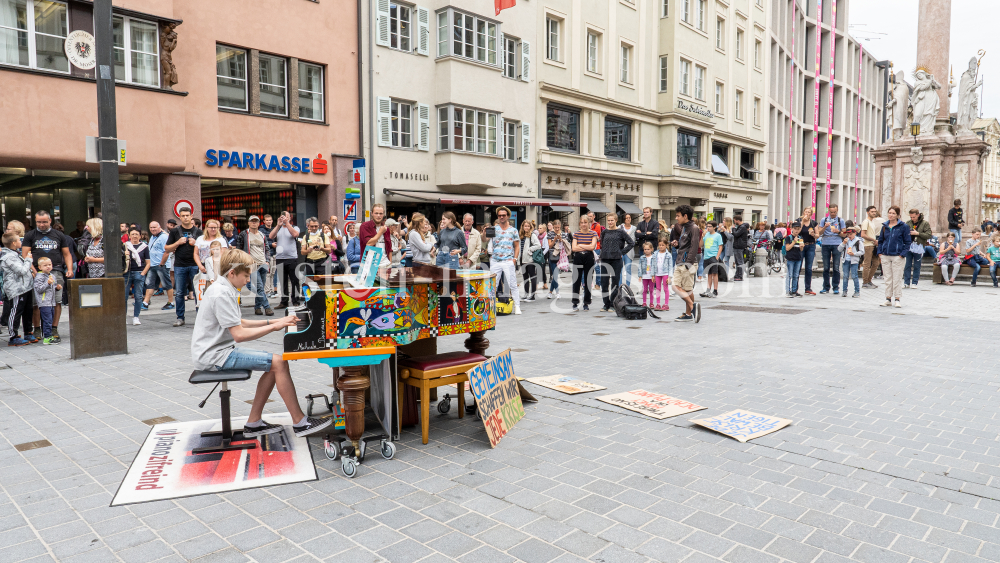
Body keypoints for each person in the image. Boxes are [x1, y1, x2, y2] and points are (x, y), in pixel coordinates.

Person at [192, 248, 331, 438]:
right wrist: (275, 327)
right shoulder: (222, 293)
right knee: (279, 362)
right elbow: (239, 334)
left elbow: (240, 322)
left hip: (216, 351)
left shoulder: (224, 287)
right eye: (246, 276)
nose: (248, 280)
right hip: (214, 356)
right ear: (232, 273)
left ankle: (255, 423)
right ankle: (299, 422)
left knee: (274, 363)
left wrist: (275, 321)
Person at [22, 210, 73, 343]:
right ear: (35, 221)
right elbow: (25, 255)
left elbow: (67, 254)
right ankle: (37, 328)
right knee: (36, 302)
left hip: (56, 270)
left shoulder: (58, 235)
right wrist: (33, 271)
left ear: (50, 221)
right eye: (39, 222)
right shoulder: (30, 235)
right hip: (36, 271)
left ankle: (53, 328)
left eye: (44, 222)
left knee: (56, 301)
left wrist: (70, 269)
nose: (42, 224)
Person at [165, 209, 203, 327]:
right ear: (179, 217)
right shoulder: (175, 231)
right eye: (183, 216)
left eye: (187, 215)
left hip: (195, 265)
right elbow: (167, 248)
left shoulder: (199, 232)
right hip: (180, 265)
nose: (185, 218)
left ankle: (201, 318)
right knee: (180, 293)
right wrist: (177, 243)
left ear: (192, 216)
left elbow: (204, 249)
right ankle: (180, 317)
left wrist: (195, 243)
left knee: (198, 293)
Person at [234, 215, 273, 316]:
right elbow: (239, 250)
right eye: (252, 221)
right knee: (259, 287)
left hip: (263, 263)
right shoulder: (244, 234)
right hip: (251, 264)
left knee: (261, 288)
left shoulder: (262, 234)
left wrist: (267, 261)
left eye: (256, 221)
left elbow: (267, 249)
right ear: (248, 223)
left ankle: (257, 307)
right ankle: (267, 307)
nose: (254, 223)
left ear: (259, 223)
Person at [2, 232, 35, 346]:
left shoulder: (16, 254)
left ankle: (28, 332)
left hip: (26, 287)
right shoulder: (8, 257)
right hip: (16, 289)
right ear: (13, 243)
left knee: (28, 310)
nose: (21, 241)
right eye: (19, 240)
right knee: (16, 311)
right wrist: (28, 260)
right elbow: (21, 271)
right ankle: (13, 336)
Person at [876, 206, 911, 307]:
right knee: (887, 278)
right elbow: (881, 240)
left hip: (897, 256)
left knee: (897, 278)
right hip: (885, 255)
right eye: (889, 213)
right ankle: (888, 298)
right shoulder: (885, 226)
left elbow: (908, 242)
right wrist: (880, 252)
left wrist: (902, 254)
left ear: (897, 215)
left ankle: (897, 299)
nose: (891, 215)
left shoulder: (903, 226)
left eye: (893, 213)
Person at [488, 207, 521, 314]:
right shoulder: (493, 229)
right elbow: (485, 241)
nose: (501, 217)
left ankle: (517, 306)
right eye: (499, 215)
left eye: (503, 215)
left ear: (508, 216)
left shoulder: (513, 230)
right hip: (495, 260)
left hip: (508, 260)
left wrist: (515, 259)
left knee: (512, 284)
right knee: (492, 285)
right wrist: (484, 233)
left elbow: (517, 246)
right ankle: (490, 307)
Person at [597, 214, 633, 312]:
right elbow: (602, 244)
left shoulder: (621, 231)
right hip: (605, 259)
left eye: (612, 220)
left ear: (616, 220)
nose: (610, 222)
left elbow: (631, 243)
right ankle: (606, 303)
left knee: (615, 283)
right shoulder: (604, 232)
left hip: (616, 260)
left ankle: (613, 303)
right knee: (604, 282)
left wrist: (621, 252)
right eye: (608, 220)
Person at [672, 205, 701, 322]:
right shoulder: (683, 227)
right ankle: (691, 309)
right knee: (677, 287)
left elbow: (694, 247)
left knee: (686, 289)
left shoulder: (694, 228)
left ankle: (690, 310)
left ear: (685, 216)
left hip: (687, 263)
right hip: (680, 261)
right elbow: (685, 244)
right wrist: (677, 244)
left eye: (678, 215)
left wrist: (688, 264)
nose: (676, 218)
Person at [269, 211, 300, 308]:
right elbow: (271, 236)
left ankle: (295, 301)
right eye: (282, 217)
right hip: (280, 258)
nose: (284, 219)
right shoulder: (278, 228)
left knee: (294, 280)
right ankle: (284, 301)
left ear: (289, 218)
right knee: (283, 281)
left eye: (286, 217)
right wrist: (278, 225)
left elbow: (295, 234)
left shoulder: (294, 227)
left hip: (292, 257)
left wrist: (287, 223)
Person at [123, 228, 150, 325]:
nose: (134, 236)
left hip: (139, 272)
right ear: (129, 236)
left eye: (136, 234)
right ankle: (124, 317)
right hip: (127, 273)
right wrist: (124, 254)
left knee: (138, 296)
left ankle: (136, 317)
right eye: (132, 234)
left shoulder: (144, 247)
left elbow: (148, 263)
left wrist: (143, 273)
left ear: (140, 236)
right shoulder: (125, 246)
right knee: (124, 297)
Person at [817, 204, 846, 294]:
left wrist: (838, 231)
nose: (833, 213)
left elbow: (844, 234)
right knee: (826, 267)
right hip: (826, 243)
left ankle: (835, 287)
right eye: (831, 212)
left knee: (836, 267)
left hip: (836, 244)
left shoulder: (840, 220)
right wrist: (825, 226)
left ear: (837, 211)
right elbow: (819, 232)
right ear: (828, 211)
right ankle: (826, 287)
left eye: (834, 212)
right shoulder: (824, 220)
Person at [570, 216, 597, 312]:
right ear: (579, 224)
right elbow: (574, 248)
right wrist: (586, 246)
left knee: (588, 280)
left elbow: (592, 247)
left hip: (589, 257)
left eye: (585, 222)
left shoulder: (593, 233)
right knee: (576, 280)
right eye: (582, 222)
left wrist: (580, 245)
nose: (583, 224)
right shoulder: (576, 234)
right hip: (578, 257)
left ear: (589, 223)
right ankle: (575, 302)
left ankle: (586, 302)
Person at [33, 257, 61, 344]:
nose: (48, 267)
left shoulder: (51, 275)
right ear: (40, 267)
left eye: (49, 265)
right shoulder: (39, 277)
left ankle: (49, 336)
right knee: (47, 320)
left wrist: (57, 288)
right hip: (44, 302)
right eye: (45, 265)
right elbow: (39, 289)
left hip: (51, 302)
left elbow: (52, 287)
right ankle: (47, 338)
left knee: (50, 319)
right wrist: (47, 283)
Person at [903, 210, 932, 289]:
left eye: (914, 217)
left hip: (919, 246)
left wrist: (918, 233)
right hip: (909, 246)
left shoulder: (924, 223)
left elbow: (929, 235)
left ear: (918, 215)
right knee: (907, 265)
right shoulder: (908, 223)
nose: (912, 219)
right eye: (911, 217)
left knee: (917, 265)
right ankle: (906, 282)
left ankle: (914, 282)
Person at [859, 206, 884, 289]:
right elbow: (863, 234)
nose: (874, 213)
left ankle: (869, 280)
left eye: (875, 211)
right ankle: (865, 282)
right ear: (868, 212)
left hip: (873, 245)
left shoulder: (872, 221)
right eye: (872, 211)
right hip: (867, 245)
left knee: (876, 263)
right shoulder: (866, 222)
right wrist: (873, 239)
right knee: (867, 264)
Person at [517, 220, 541, 301]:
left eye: (528, 226)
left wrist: (530, 249)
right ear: (522, 227)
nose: (526, 227)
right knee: (525, 277)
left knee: (532, 277)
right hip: (522, 259)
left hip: (530, 260)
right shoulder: (520, 235)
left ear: (530, 227)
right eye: (525, 226)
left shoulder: (532, 235)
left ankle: (533, 296)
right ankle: (526, 294)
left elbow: (538, 245)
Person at [547, 219, 570, 299]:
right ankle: (557, 292)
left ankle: (550, 292)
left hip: (561, 257)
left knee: (555, 276)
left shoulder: (564, 234)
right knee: (555, 275)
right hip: (553, 256)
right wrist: (555, 239)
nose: (557, 229)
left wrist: (561, 240)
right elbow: (549, 246)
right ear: (553, 226)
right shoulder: (550, 233)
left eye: (558, 227)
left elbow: (566, 245)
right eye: (555, 227)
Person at [700, 221, 723, 298]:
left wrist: (717, 256)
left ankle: (715, 291)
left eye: (709, 226)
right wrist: (702, 236)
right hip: (706, 256)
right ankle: (708, 290)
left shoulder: (717, 236)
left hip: (713, 256)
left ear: (714, 227)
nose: (708, 228)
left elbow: (720, 246)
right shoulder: (706, 235)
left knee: (714, 274)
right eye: (707, 226)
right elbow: (700, 245)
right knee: (709, 274)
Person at [839, 227, 863, 298]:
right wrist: (843, 243)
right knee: (845, 276)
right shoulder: (846, 241)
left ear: (855, 233)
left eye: (851, 234)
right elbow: (839, 249)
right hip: (846, 260)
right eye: (848, 234)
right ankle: (844, 291)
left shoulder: (858, 241)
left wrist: (854, 254)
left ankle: (857, 291)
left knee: (854, 276)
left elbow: (862, 251)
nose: (849, 236)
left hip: (854, 261)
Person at [799, 207, 819, 295]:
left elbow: (817, 235)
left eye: (809, 212)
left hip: (810, 245)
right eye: (806, 212)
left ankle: (808, 288)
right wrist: (802, 222)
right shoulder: (799, 221)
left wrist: (813, 234)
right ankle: (794, 288)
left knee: (808, 268)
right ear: (803, 212)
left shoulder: (813, 223)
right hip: (801, 245)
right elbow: (797, 231)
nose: (807, 213)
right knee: (798, 266)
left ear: (811, 214)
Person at [784, 222, 805, 297]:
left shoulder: (801, 238)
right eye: (795, 229)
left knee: (796, 275)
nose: (796, 231)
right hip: (790, 258)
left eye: (798, 229)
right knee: (789, 275)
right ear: (792, 229)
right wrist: (794, 242)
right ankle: (787, 291)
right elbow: (787, 248)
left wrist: (801, 246)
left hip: (798, 258)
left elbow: (801, 249)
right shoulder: (788, 238)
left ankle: (794, 290)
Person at [619, 213, 637, 288]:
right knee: (619, 269)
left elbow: (633, 240)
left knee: (628, 268)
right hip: (621, 249)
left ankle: (627, 286)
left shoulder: (634, 228)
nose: (628, 219)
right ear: (624, 219)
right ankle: (619, 285)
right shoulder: (620, 227)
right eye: (626, 218)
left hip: (629, 250)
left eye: (629, 217)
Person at [588, 211, 603, 291]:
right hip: (588, 247)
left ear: (594, 217)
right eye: (588, 216)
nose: (589, 218)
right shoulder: (586, 224)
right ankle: (588, 283)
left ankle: (598, 284)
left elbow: (595, 236)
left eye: (591, 216)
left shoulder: (597, 225)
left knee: (597, 267)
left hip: (596, 248)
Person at [731, 215, 749, 281]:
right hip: (737, 245)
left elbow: (736, 234)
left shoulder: (742, 227)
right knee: (737, 262)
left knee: (740, 262)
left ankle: (740, 276)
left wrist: (733, 228)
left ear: (738, 220)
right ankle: (737, 275)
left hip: (739, 246)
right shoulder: (741, 227)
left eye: (735, 220)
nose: (734, 222)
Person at [638, 242, 655, 308]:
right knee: (644, 290)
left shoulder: (654, 257)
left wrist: (654, 275)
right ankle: (644, 302)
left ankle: (651, 303)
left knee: (651, 290)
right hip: (644, 276)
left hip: (651, 276)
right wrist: (640, 275)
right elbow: (639, 266)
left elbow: (655, 266)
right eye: (645, 249)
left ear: (651, 249)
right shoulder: (642, 257)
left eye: (648, 249)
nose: (646, 251)